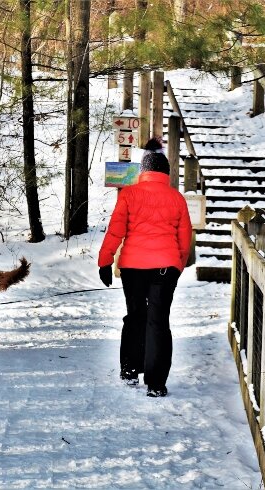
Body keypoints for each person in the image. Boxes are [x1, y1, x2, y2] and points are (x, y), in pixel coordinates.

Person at [97, 138, 192, 398]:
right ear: (165, 173)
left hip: (133, 268)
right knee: (158, 321)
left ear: (144, 172)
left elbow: (116, 230)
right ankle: (156, 382)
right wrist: (177, 266)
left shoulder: (129, 194)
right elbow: (184, 239)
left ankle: (130, 369)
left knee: (135, 315)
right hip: (165, 267)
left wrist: (105, 261)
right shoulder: (177, 198)